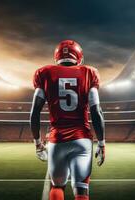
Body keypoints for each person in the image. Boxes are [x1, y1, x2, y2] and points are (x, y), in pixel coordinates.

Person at [30, 40, 105, 200]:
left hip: (57, 140)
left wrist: (38, 144)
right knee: (81, 189)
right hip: (82, 140)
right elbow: (96, 111)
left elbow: (34, 112)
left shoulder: (45, 73)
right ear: (79, 56)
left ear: (56, 56)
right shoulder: (89, 73)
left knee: (57, 186)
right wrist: (102, 143)